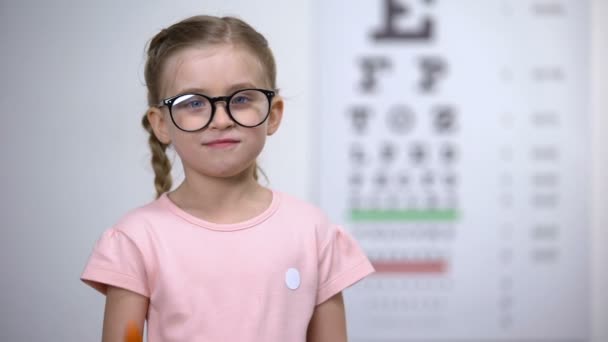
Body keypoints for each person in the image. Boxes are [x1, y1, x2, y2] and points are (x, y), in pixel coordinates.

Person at [81, 14, 374, 342]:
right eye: (193, 102)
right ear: (160, 123)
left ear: (273, 114)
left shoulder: (313, 233)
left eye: (241, 98)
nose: (220, 120)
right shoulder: (136, 239)